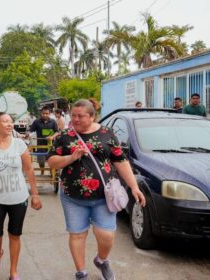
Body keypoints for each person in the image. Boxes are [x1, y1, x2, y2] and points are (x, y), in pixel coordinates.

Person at [47, 99, 146, 280]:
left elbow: (121, 161)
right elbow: (51, 161)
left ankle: (101, 260)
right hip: (72, 197)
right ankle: (81, 273)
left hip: (104, 196)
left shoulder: (107, 133)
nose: (75, 119)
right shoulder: (64, 136)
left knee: (106, 235)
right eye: (73, 115)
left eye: (80, 116)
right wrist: (71, 157)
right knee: (77, 235)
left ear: (92, 116)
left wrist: (134, 187)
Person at [0, 112, 42, 280]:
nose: (9, 124)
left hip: (19, 198)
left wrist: (34, 194)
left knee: (15, 235)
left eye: (11, 122)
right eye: (5, 121)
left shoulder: (19, 144)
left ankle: (13, 272)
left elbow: (28, 169)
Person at [27, 106, 58, 175]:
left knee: (51, 160)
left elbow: (57, 132)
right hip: (40, 145)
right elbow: (31, 130)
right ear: (41, 113)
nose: (45, 115)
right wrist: (28, 134)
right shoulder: (36, 122)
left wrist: (52, 137)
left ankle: (51, 174)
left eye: (46, 113)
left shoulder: (53, 122)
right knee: (41, 161)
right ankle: (42, 172)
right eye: (43, 113)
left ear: (49, 113)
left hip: (50, 145)